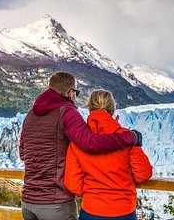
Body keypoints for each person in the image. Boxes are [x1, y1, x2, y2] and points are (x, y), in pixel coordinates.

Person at [19, 72, 142, 220]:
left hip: (28, 202)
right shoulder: (67, 112)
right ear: (70, 93)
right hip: (54, 204)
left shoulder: (30, 115)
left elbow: (23, 153)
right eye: (76, 92)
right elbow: (89, 142)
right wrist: (130, 137)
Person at [64, 89, 153, 220]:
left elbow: (73, 185)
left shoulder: (78, 142)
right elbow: (143, 174)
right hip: (124, 211)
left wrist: (93, 194)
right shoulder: (128, 138)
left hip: (91, 211)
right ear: (113, 109)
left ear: (90, 108)